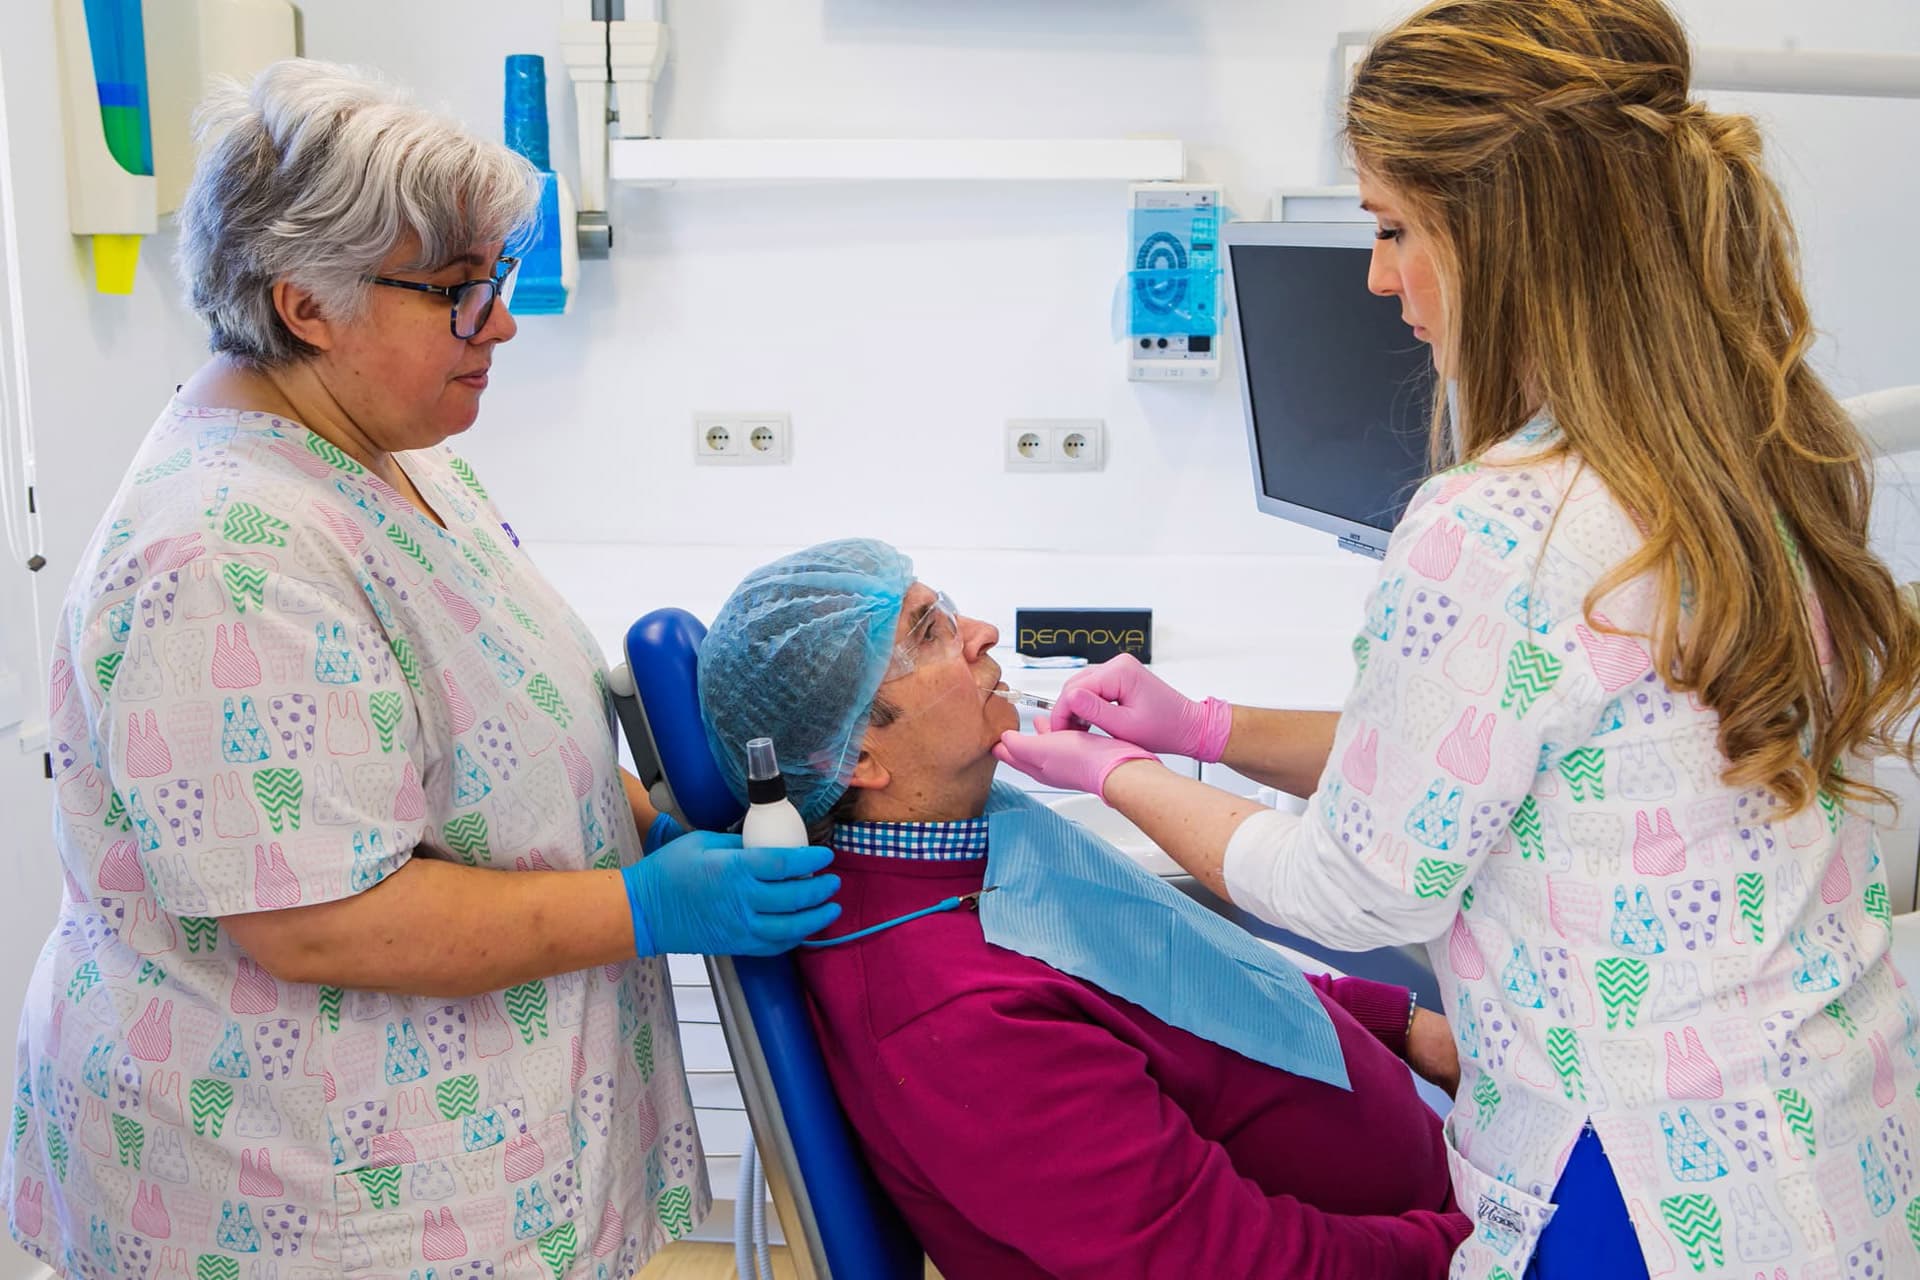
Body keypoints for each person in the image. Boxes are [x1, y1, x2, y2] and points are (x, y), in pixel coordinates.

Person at [994, 3, 1920, 1278]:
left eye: (1394, 229)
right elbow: (1509, 764)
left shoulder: (1500, 525)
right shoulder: (1749, 444)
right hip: (1824, 1137)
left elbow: (1358, 882)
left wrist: (1116, 777)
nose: (1377, 277)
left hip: (1642, 1187)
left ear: (1507, 239)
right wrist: (1206, 732)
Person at [4, 61, 840, 1276]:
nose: (500, 321)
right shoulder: (225, 550)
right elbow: (323, 921)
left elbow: (471, 743)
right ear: (306, 304)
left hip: (451, 1155)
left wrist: (641, 820)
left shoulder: (386, 453)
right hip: (301, 1194)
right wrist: (646, 905)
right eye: (457, 291)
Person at [692, 538, 1473, 1279]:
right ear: (853, 758)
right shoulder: (954, 1020)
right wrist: (1485, 1246)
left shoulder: (976, 835)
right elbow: (1232, 1264)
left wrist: (1396, 1023)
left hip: (1437, 1191)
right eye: (930, 633)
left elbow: (1191, 968)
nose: (983, 632)